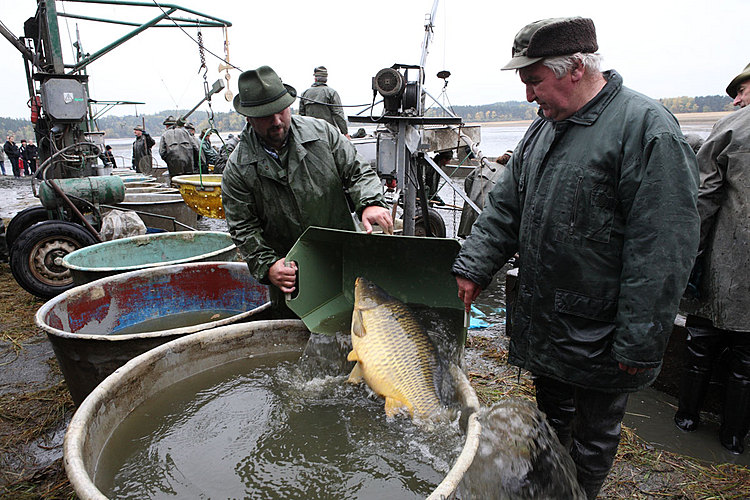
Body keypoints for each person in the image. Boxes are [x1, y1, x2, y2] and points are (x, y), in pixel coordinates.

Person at [451, 17, 699, 499]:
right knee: (550, 417)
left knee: (595, 434)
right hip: (548, 319)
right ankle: (547, 484)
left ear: (576, 68)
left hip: (604, 330)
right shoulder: (543, 131)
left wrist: (640, 340)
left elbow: (663, 248)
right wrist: (474, 266)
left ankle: (579, 492)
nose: (528, 97)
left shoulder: (646, 129)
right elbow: (505, 205)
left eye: (533, 81)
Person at [222, 65, 393, 318]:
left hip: (345, 258)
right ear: (248, 118)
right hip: (292, 277)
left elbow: (357, 170)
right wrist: (268, 266)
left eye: (281, 110)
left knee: (361, 325)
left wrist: (370, 202)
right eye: (266, 116)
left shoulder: (322, 134)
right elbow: (243, 227)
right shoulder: (237, 169)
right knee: (297, 338)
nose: (277, 121)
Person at [674, 62, 750, 454]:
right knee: (746, 361)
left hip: (726, 263)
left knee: (700, 342)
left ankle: (686, 419)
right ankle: (734, 436)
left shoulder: (733, 127)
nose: (736, 99)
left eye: (742, 89)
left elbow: (704, 198)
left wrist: (690, 255)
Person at [457, 150, 513, 238]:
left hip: (472, 202)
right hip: (487, 208)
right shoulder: (507, 174)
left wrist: (471, 194)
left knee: (468, 233)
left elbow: (468, 181)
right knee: (483, 237)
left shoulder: (485, 166)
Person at [299, 66, 350, 137]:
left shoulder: (304, 93)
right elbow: (338, 114)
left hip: (310, 135)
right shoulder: (331, 93)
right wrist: (345, 133)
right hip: (329, 135)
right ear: (326, 79)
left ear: (315, 79)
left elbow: (301, 117)